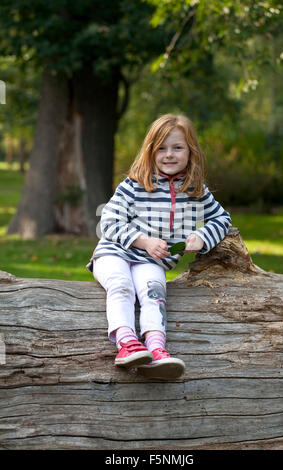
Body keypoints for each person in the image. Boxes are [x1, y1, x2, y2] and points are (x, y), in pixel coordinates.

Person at [87, 114, 232, 379]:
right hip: (114, 253)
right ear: (150, 151)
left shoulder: (196, 191)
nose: (169, 155)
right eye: (161, 148)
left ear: (191, 151)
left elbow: (222, 219)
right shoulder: (136, 184)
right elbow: (107, 221)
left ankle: (155, 350)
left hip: (152, 262)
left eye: (177, 148)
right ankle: (126, 343)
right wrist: (143, 241)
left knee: (154, 293)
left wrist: (202, 237)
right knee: (121, 285)